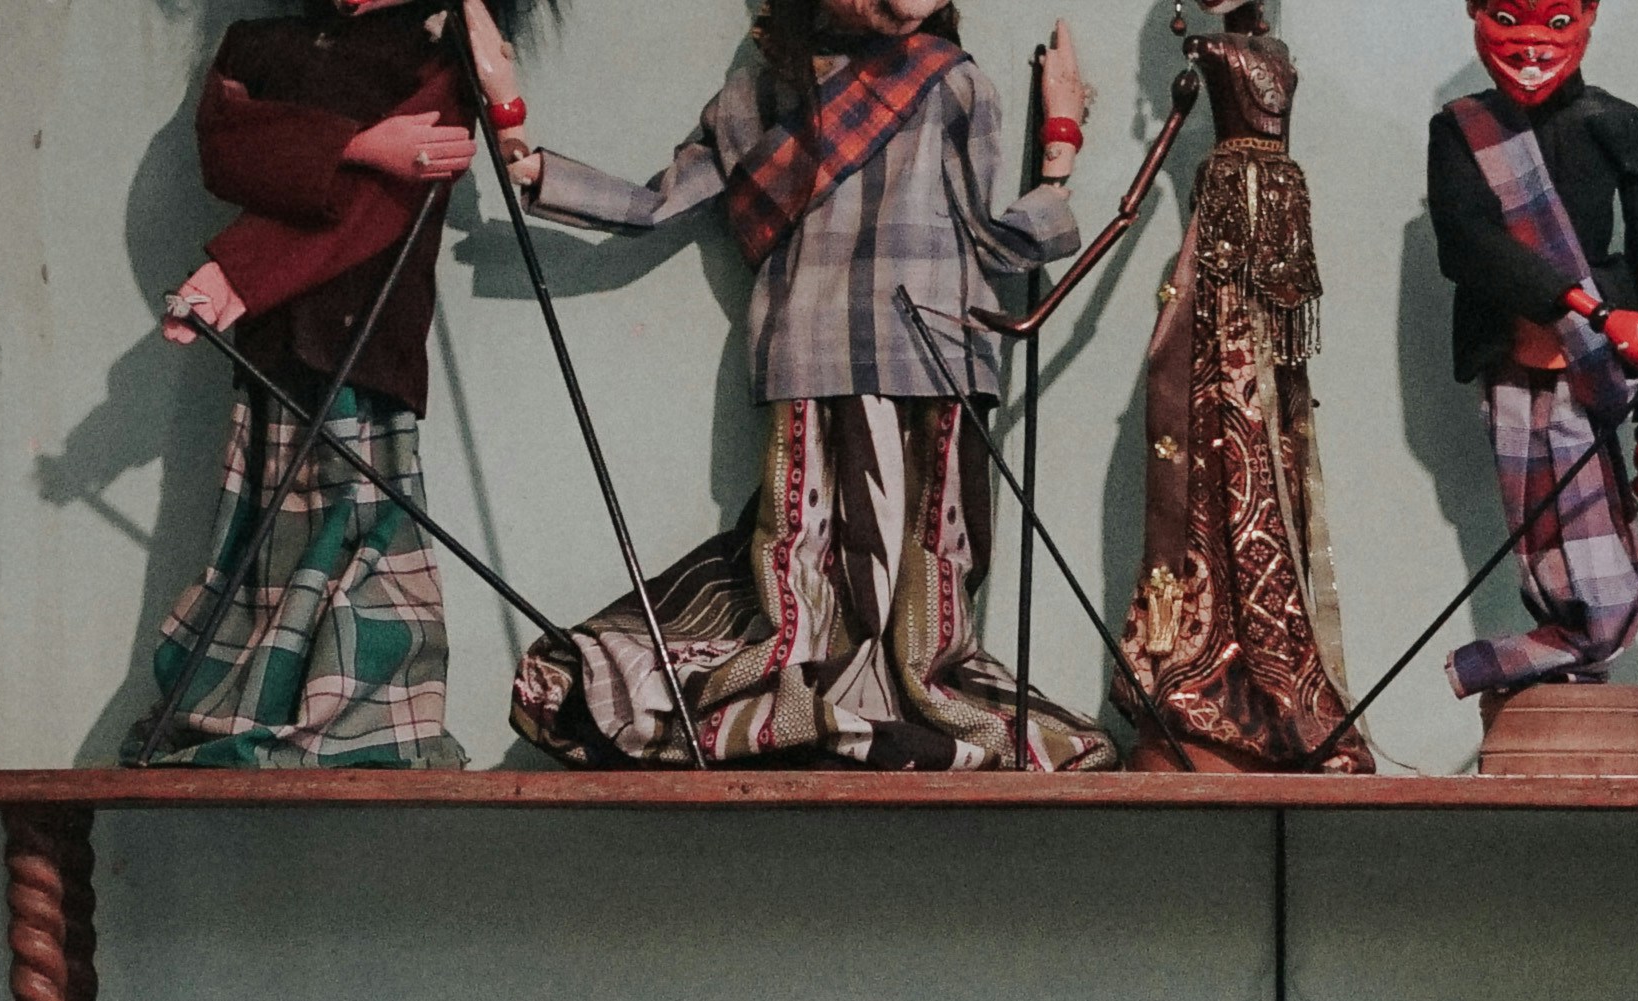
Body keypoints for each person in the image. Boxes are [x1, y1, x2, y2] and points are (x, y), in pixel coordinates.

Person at [489, 0, 1114, 769]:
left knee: (921, 557)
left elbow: (987, 236)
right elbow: (663, 197)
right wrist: (536, 169)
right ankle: (838, 710)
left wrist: (1058, 138)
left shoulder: (952, 81)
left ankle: (876, 705)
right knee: (808, 554)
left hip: (931, 356)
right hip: (834, 348)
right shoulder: (760, 96)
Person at [131, 0, 506, 767]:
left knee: (361, 539)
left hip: (369, 330)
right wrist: (366, 144)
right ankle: (250, 707)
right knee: (260, 551)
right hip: (277, 344)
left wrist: (237, 271)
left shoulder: (430, 52)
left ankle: (363, 725)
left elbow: (380, 204)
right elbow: (226, 145)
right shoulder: (259, 46)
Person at [1112, 0, 1364, 767]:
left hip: (1276, 259)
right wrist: (1122, 217)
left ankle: (1275, 666)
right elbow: (1160, 152)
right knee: (1217, 422)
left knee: (1276, 442)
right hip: (1225, 249)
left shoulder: (1271, 45)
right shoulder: (1207, 53)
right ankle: (1205, 666)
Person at [1423, 0, 1638, 713]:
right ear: (1474, 12)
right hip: (1517, 355)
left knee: (1601, 549)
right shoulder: (1462, 130)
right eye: (1508, 16)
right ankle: (1559, 650)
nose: (1532, 43)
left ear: (1590, 15)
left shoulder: (1615, 123)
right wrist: (1594, 309)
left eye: (1557, 22)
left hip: (1596, 366)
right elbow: (1467, 245)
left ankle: (1540, 654)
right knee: (1534, 534)